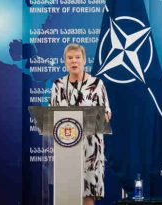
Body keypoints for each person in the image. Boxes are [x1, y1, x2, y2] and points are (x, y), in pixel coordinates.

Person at [50, 43, 111, 205]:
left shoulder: (97, 84)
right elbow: (51, 116)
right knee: (66, 191)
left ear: (84, 60)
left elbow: (106, 115)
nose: (74, 61)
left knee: (88, 194)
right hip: (66, 146)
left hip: (91, 148)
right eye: (70, 58)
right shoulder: (58, 85)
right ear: (65, 62)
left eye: (77, 57)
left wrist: (91, 117)